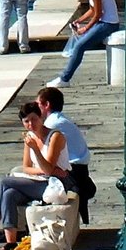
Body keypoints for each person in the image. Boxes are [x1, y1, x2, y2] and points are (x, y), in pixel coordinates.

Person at [0, 101, 70, 250]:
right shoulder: (30, 137)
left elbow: (48, 169)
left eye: (34, 119)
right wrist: (42, 171)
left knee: (4, 182)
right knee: (9, 194)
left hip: (56, 184)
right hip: (41, 180)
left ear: (41, 118)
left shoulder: (55, 136)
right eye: (26, 121)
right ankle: (11, 242)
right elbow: (27, 167)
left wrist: (37, 151)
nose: (31, 124)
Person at [48, 0, 118, 87]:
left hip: (109, 24)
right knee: (79, 45)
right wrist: (78, 21)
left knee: (79, 46)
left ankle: (64, 79)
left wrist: (85, 28)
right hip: (103, 22)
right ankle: (64, 78)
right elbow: (92, 10)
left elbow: (98, 14)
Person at [37, 85, 95, 221]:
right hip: (79, 171)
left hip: (71, 173)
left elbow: (45, 157)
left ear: (46, 105)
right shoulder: (61, 119)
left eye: (38, 104)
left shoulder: (52, 124)